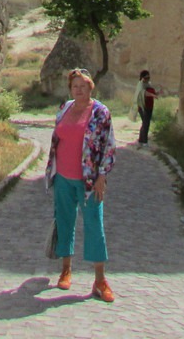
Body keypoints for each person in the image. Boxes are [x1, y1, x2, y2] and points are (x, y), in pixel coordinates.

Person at [45, 67, 116, 302]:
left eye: (83, 86)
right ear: (70, 89)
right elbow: (57, 139)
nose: (79, 90)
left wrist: (102, 176)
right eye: (75, 86)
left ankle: (100, 280)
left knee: (95, 225)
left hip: (89, 181)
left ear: (90, 87)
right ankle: (66, 269)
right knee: (64, 221)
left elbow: (109, 146)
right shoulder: (64, 108)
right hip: (63, 177)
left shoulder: (100, 112)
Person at [135, 69, 158, 145]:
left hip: (149, 106)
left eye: (148, 77)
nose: (147, 79)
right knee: (145, 123)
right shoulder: (140, 85)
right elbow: (143, 93)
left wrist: (156, 93)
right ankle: (143, 141)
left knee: (146, 123)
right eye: (146, 78)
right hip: (143, 107)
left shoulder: (148, 84)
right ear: (142, 78)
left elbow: (151, 92)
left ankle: (142, 140)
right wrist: (152, 95)